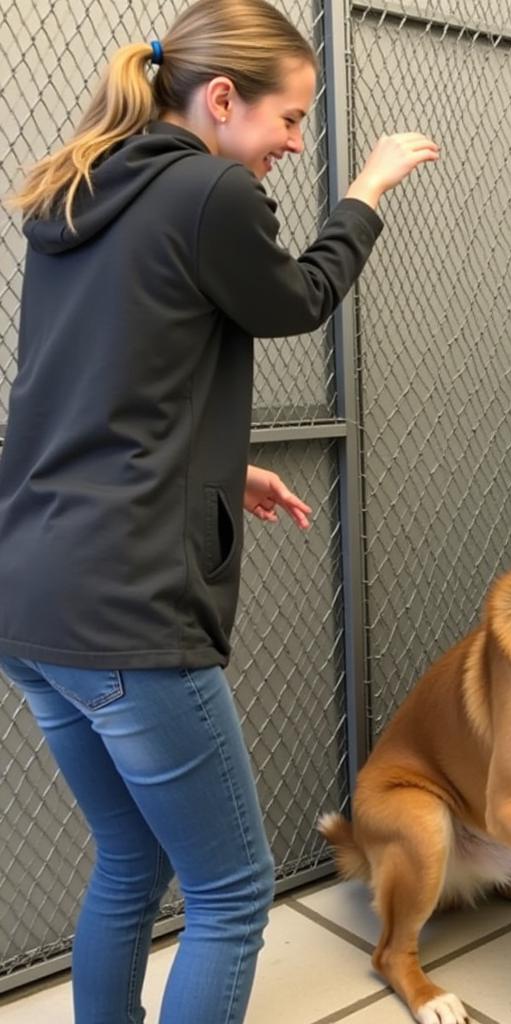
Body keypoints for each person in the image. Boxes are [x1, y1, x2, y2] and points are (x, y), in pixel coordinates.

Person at [0, 1, 438, 1021]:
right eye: (289, 118)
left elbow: (98, 386)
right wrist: (365, 192)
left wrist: (217, 466)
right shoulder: (207, 192)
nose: (294, 140)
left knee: (128, 857)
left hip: (31, 593)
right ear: (223, 98)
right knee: (233, 890)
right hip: (123, 607)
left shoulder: (80, 187)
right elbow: (294, 300)